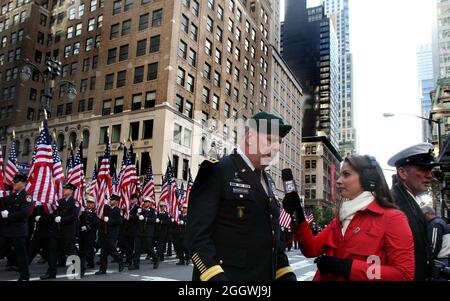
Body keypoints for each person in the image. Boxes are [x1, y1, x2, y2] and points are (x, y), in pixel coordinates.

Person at [186, 112, 296, 281]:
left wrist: (286, 274)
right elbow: (197, 239)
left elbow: (273, 239)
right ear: (250, 137)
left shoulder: (268, 181)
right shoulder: (217, 170)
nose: (276, 148)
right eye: (269, 140)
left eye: (279, 142)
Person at [284, 155, 415, 281]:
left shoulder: (393, 219)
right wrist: (299, 216)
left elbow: (403, 274)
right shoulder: (339, 219)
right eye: (340, 175)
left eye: (346, 175)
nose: (338, 181)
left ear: (368, 179)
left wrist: (347, 268)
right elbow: (311, 249)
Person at [388, 143, 439, 281]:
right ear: (403, 173)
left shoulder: (407, 201)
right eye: (423, 169)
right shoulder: (394, 204)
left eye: (430, 170)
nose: (430, 176)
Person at [40, 183, 80, 280]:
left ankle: (78, 270)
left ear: (71, 191)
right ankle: (51, 272)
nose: (64, 190)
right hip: (57, 231)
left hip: (68, 231)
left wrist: (62, 219)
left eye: (66, 189)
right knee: (52, 251)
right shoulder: (58, 202)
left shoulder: (75, 202)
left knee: (71, 251)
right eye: (64, 189)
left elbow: (74, 216)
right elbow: (52, 213)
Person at [0, 173, 33, 281]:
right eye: (14, 181)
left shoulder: (27, 196)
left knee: (21, 255)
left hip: (18, 230)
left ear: (23, 183)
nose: (14, 183)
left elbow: (25, 213)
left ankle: (24, 277)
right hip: (7, 229)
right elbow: (3, 203)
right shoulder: (12, 196)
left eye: (16, 181)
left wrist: (9, 215)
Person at [95, 193, 124, 275]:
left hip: (113, 233)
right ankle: (102, 269)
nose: (110, 201)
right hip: (105, 232)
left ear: (116, 201)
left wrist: (109, 220)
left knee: (112, 250)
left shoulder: (119, 210)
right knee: (103, 251)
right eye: (110, 199)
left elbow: (119, 221)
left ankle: (120, 260)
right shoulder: (106, 208)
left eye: (112, 200)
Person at [129, 196, 157, 270]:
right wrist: (136, 215)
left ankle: (155, 260)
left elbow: (153, 220)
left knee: (149, 248)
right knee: (137, 249)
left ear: (150, 203)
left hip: (148, 233)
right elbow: (134, 217)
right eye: (145, 202)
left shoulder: (152, 210)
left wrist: (145, 219)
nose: (146, 203)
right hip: (139, 232)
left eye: (147, 202)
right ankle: (136, 265)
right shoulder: (141, 210)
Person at [421, 205, 450, 270]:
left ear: (427, 214)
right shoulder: (440, 221)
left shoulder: (435, 224)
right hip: (445, 258)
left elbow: (434, 244)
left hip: (440, 260)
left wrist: (429, 259)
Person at [79, 197, 99, 277]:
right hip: (82, 235)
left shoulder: (95, 213)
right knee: (86, 250)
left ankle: (82, 269)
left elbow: (96, 223)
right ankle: (91, 263)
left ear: (94, 204)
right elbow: (80, 221)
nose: (89, 204)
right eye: (88, 203)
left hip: (90, 235)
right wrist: (82, 226)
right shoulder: (83, 212)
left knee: (85, 252)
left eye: (91, 203)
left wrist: (87, 227)